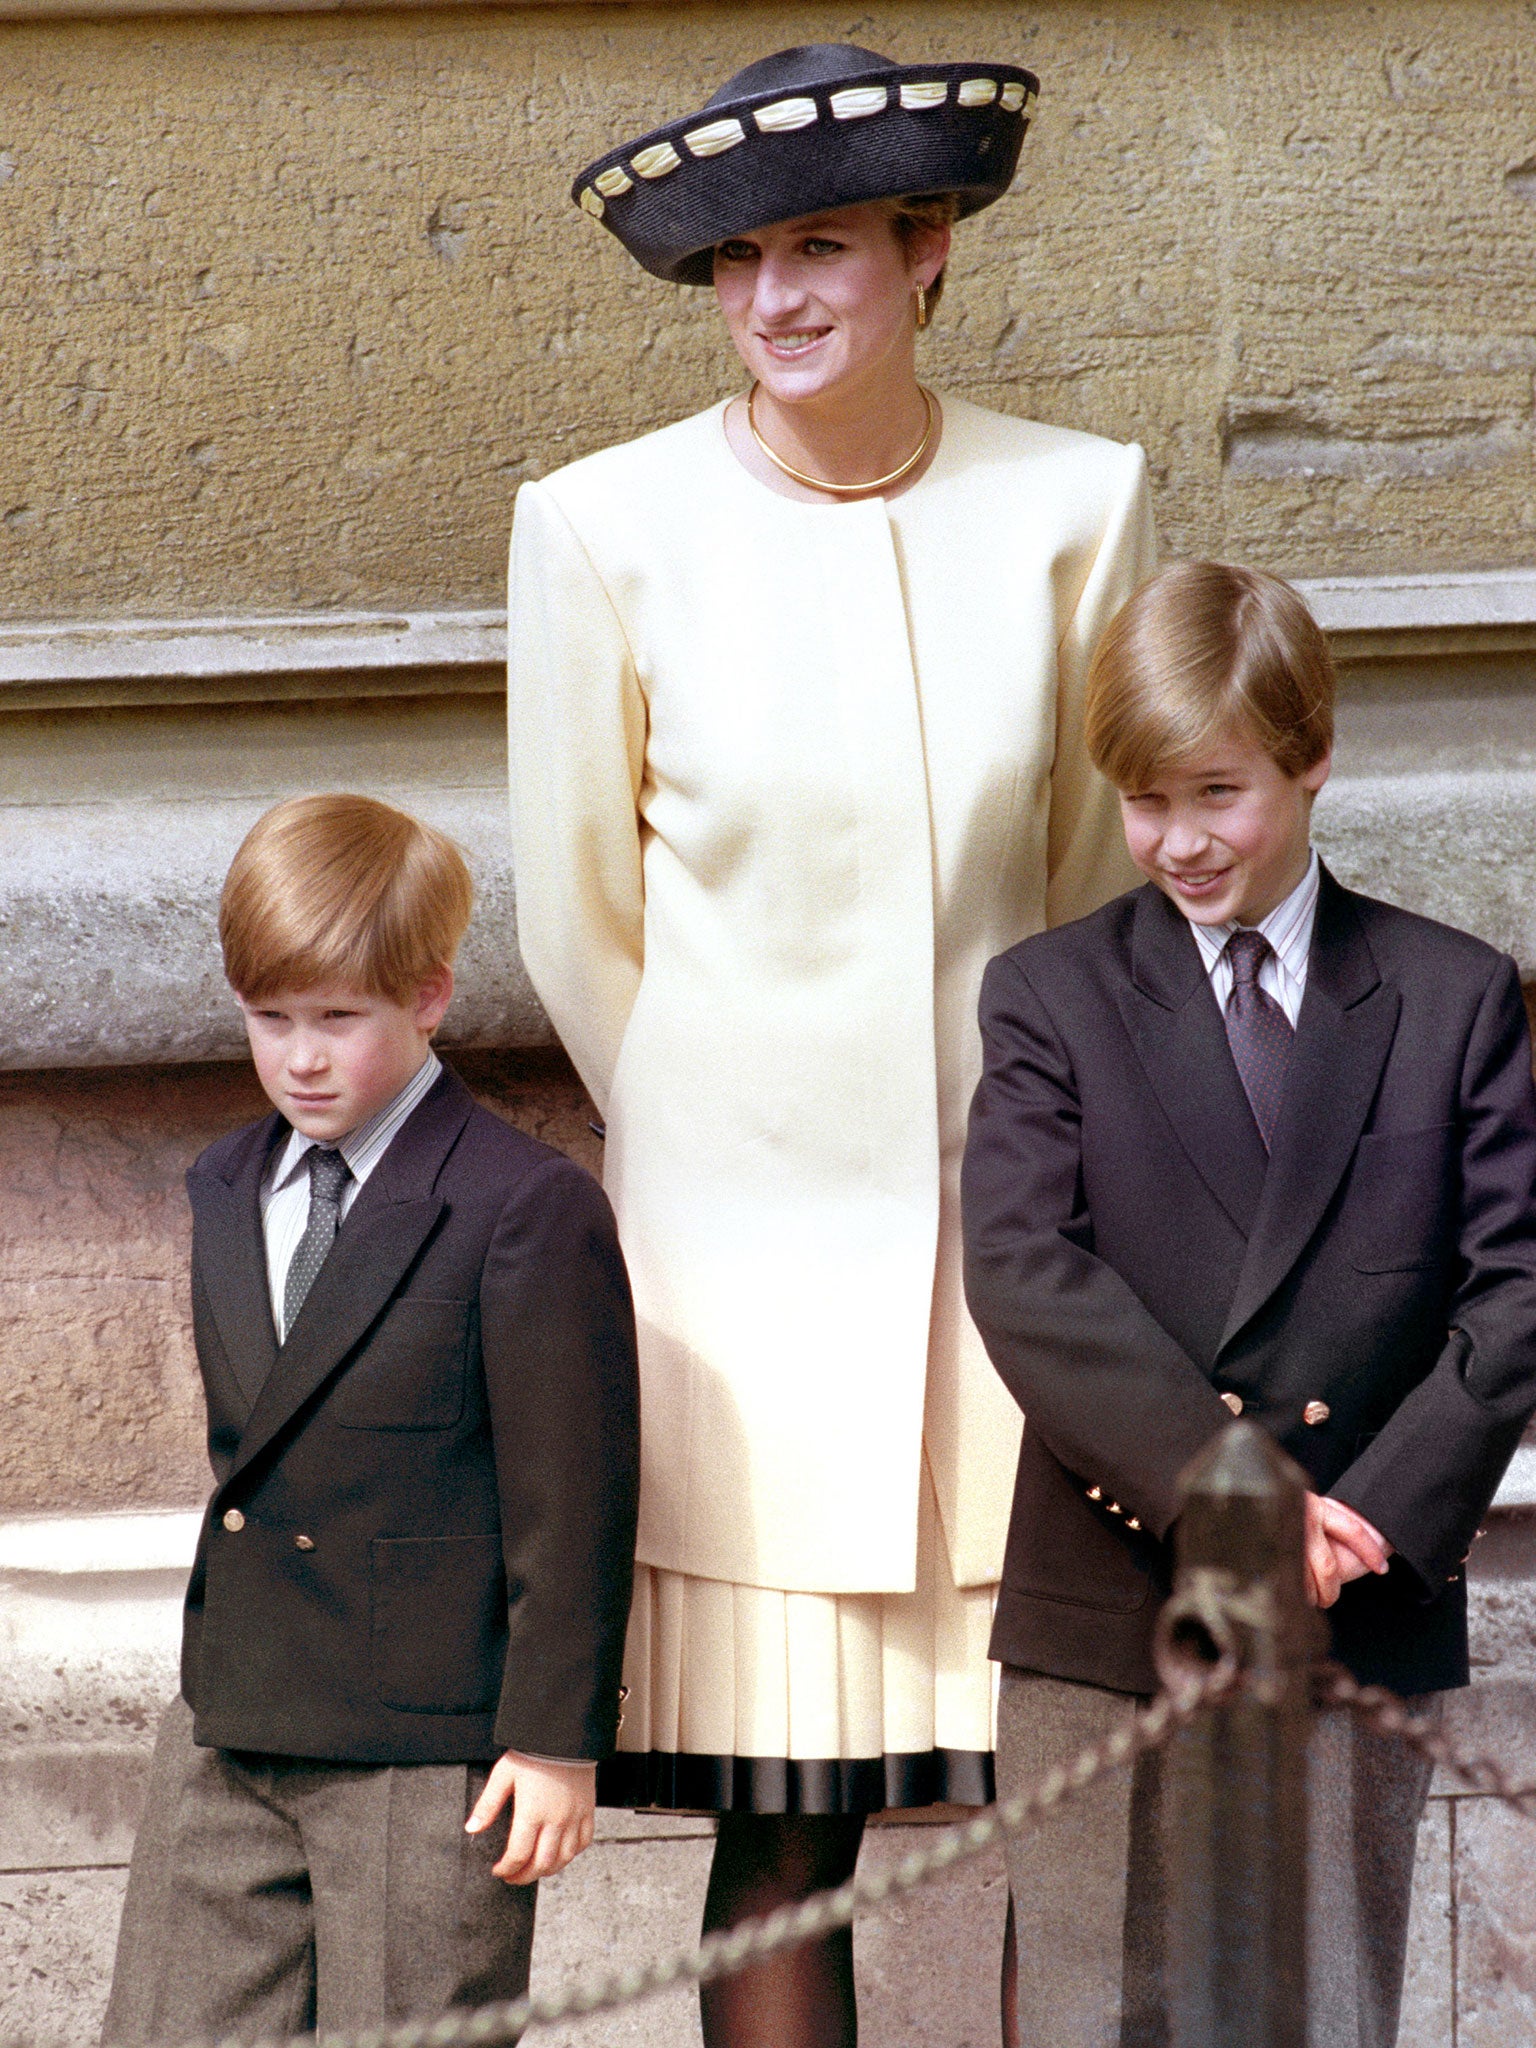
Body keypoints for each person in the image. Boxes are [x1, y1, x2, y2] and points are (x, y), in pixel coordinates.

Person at [508, 43, 1156, 2048]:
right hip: (737, 1300)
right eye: (737, 264)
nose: (777, 298)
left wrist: (1017, 1157)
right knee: (780, 1847)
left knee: (1055, 1821)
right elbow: (576, 923)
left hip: (1008, 1277)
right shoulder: (601, 526)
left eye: (823, 249)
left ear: (926, 252)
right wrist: (734, 1141)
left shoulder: (1077, 503)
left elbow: (1078, 892)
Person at [962, 559, 1536, 2047]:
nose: (1178, 841)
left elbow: (1516, 1286)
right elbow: (1027, 1274)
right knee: (1099, 2012)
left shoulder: (1450, 993)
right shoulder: (1050, 997)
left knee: (1321, 2013)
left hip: (1354, 1591)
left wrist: (1364, 1522)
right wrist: (1238, 1499)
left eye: (1218, 793)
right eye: (1144, 801)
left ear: (1313, 755)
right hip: (1114, 1603)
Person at [102, 793, 640, 2046]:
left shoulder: (521, 1205)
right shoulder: (227, 1182)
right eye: (269, 1017)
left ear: (432, 997)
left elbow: (576, 1499)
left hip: (425, 1745)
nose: (300, 1056)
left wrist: (556, 1744)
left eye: (339, 1019)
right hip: (232, 1717)